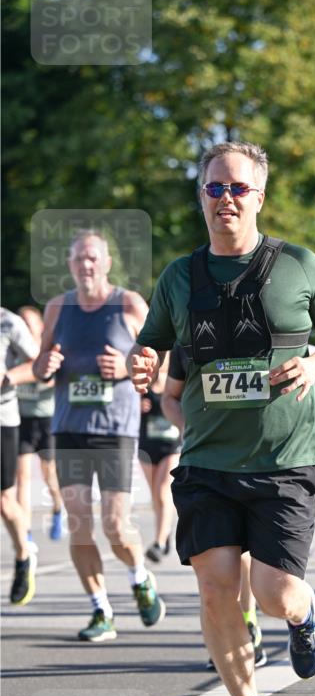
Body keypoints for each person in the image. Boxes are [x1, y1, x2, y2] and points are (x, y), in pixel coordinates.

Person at [128, 140, 315, 696]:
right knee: (215, 587)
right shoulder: (179, 276)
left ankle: (304, 617)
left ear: (259, 196)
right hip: (206, 463)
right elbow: (152, 349)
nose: (225, 198)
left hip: (283, 461)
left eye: (237, 188)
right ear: (201, 196)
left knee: (272, 593)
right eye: (214, 187)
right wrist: (142, 363)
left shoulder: (299, 264)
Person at [32, 231, 166, 642]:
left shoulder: (129, 305)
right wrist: (46, 364)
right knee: (78, 522)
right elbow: (38, 367)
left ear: (107, 263)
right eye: (78, 259)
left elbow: (161, 364)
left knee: (114, 524)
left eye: (93, 258)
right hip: (69, 428)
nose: (86, 265)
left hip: (114, 430)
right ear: (70, 265)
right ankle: (100, 609)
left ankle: (139, 576)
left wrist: (126, 368)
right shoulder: (57, 308)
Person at [161, 344, 267, 669]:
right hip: (207, 465)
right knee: (214, 564)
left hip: (256, 461)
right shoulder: (188, 337)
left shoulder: (262, 330)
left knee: (246, 558)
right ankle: (227, 634)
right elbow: (169, 398)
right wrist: (189, 428)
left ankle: (247, 619)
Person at [16, 306, 64, 546]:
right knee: (22, 478)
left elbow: (55, 380)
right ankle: (25, 532)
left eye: (28, 323)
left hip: (47, 420)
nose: (24, 327)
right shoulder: (13, 351)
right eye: (21, 323)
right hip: (22, 419)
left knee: (49, 475)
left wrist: (25, 374)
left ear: (40, 327)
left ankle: (57, 507)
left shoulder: (49, 350)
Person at [1, 307, 39, 605]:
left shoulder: (9, 323)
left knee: (4, 500)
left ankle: (23, 553)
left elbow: (38, 364)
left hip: (3, 419)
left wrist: (8, 377)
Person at [138, 353, 180, 562]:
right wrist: (137, 407)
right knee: (155, 495)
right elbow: (124, 409)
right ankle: (165, 532)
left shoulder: (177, 386)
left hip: (172, 446)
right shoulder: (142, 384)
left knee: (163, 491)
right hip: (147, 447)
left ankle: (159, 542)